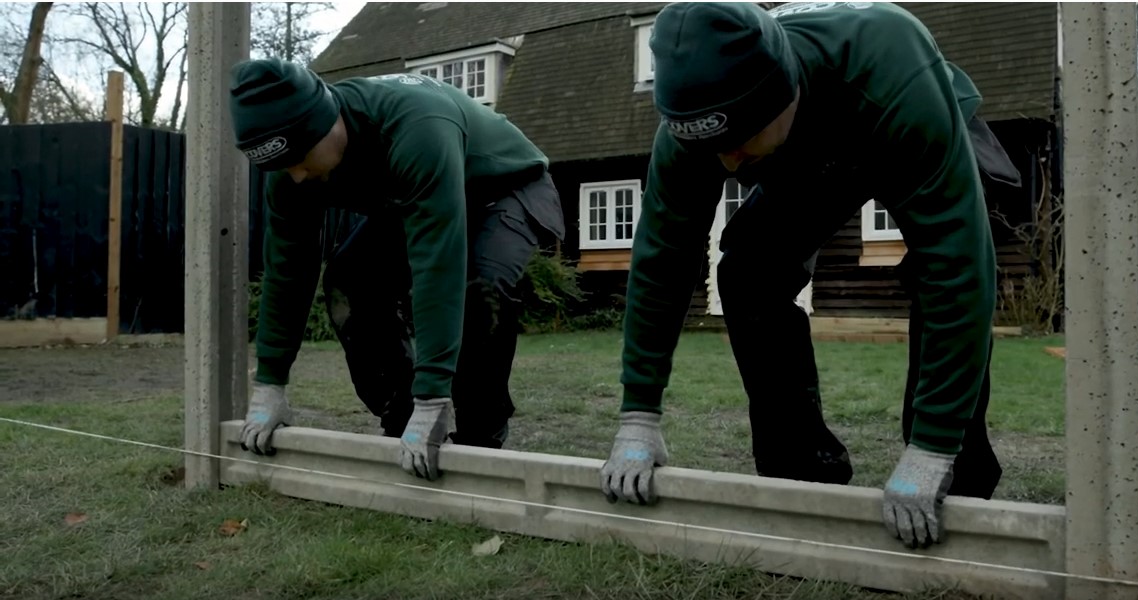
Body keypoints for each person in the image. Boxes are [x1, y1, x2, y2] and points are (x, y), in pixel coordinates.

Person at [597, 1, 1023, 550]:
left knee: (940, 269)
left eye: (739, 141)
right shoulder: (693, 132)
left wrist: (933, 445)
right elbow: (661, 263)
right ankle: (802, 470)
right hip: (805, 149)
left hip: (918, 116)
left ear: (785, 92)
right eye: (711, 148)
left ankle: (954, 471)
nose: (727, 165)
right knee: (749, 272)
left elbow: (957, 265)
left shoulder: (893, 67)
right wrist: (638, 413)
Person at [226, 59, 565, 481]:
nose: (296, 175)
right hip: (414, 198)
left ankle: (480, 437)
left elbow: (435, 264)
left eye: (301, 158)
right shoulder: (292, 169)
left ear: (327, 123)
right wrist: (270, 383)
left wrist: (433, 396)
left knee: (479, 286)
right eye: (282, 166)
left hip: (505, 187)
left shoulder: (416, 124)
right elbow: (287, 271)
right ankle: (401, 421)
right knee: (349, 283)